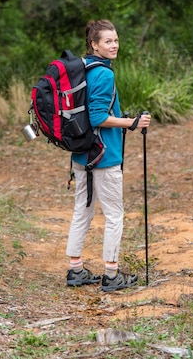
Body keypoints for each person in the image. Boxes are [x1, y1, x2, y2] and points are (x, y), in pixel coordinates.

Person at [65, 19, 151, 291]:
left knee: (82, 211)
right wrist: (132, 123)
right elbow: (99, 117)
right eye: (108, 41)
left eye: (115, 40)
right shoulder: (104, 74)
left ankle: (75, 270)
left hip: (82, 155)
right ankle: (112, 275)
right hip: (104, 155)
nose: (114, 45)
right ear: (94, 44)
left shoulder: (84, 70)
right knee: (114, 214)